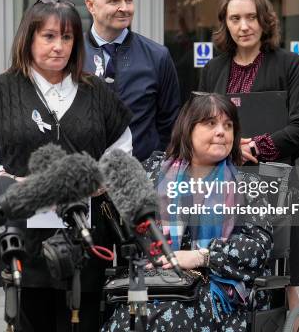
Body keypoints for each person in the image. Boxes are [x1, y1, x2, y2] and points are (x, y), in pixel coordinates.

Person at [0, 0, 133, 331]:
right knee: (29, 319)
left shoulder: (98, 93)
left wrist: (101, 176)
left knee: (84, 318)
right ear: (29, 38)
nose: (59, 46)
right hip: (21, 235)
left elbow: (121, 148)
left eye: (67, 38)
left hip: (86, 232)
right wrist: (9, 181)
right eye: (49, 36)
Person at [102, 93, 273, 331]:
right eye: (210, 123)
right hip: (154, 281)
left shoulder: (245, 187)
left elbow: (256, 248)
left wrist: (201, 256)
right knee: (126, 322)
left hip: (214, 289)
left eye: (228, 125)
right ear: (187, 129)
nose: (221, 132)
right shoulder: (154, 174)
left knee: (167, 319)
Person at [197, 0, 299, 327]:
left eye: (251, 17)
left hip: (275, 183)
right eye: (235, 18)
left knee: (283, 279)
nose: (244, 26)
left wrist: (255, 146)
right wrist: (230, 146)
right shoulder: (213, 69)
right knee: (231, 269)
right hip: (225, 183)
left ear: (264, 21)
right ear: (226, 24)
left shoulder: (288, 64)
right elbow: (201, 124)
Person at [83, 0, 181, 161]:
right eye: (114, 1)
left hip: (142, 178)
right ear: (91, 5)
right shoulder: (71, 55)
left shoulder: (157, 56)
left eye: (129, 0)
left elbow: (171, 123)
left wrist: (156, 168)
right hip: (84, 180)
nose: (125, 8)